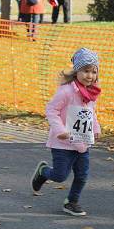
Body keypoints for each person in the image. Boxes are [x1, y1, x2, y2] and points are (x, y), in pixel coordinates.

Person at [31, 48, 101, 216]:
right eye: (85, 71)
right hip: (63, 142)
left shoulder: (91, 93)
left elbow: (90, 113)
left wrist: (96, 128)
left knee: (82, 175)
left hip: (82, 141)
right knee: (60, 176)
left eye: (93, 72)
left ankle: (71, 202)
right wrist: (60, 130)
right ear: (76, 70)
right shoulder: (67, 91)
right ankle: (43, 172)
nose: (89, 76)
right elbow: (51, 110)